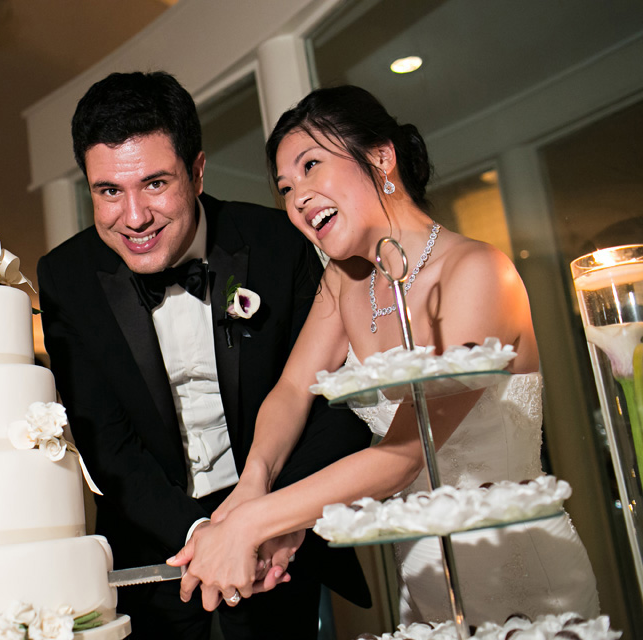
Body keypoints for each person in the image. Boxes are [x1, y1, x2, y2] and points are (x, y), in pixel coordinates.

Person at [169, 85, 600, 627]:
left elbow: (408, 450)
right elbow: (291, 391)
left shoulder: (476, 272)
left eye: (311, 166)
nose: (297, 197)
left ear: (380, 157)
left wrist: (253, 523)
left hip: (522, 576)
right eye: (285, 186)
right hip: (423, 581)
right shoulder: (344, 283)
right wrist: (255, 479)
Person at [37, 71, 372, 639]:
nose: (134, 217)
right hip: (157, 557)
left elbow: (328, 399)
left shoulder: (276, 241)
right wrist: (202, 536)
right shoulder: (67, 278)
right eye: (108, 192)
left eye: (155, 184)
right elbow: (109, 448)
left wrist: (274, 523)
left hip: (278, 550)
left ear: (196, 172)